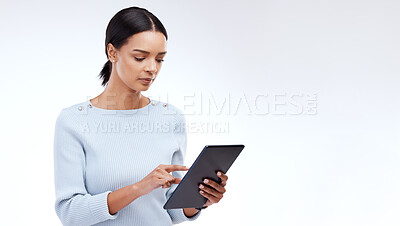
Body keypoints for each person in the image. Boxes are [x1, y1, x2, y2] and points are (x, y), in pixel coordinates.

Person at [53, 6, 229, 226]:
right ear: (112, 52)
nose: (152, 68)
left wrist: (200, 199)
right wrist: (138, 188)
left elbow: (171, 211)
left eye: (159, 59)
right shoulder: (74, 121)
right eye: (140, 57)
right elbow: (70, 214)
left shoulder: (171, 117)